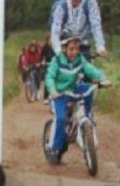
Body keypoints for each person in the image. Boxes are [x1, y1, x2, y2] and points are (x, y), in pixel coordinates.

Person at [45, 29, 107, 163]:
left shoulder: (79, 59)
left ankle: (87, 115)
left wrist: (102, 78)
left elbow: (90, 69)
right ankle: (54, 148)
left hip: (72, 90)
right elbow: (49, 77)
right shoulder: (57, 61)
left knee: (88, 88)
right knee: (61, 119)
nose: (75, 52)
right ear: (63, 48)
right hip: (59, 95)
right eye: (71, 49)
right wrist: (53, 90)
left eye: (77, 49)